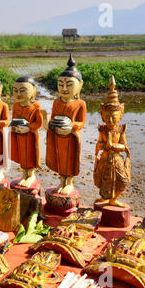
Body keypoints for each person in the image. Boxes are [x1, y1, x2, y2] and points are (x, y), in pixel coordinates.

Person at [44, 54, 86, 195]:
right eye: (61, 85)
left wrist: (71, 128)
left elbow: (81, 122)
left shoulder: (80, 103)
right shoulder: (57, 102)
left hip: (70, 137)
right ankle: (61, 182)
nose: (64, 88)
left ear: (79, 85)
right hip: (58, 136)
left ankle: (69, 183)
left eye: (69, 85)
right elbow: (52, 118)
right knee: (60, 159)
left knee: (69, 160)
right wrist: (49, 125)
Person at [94, 76, 130, 207]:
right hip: (105, 159)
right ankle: (105, 197)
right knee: (103, 180)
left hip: (116, 158)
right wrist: (104, 145)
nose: (110, 120)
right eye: (107, 117)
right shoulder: (103, 129)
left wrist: (113, 145)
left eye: (113, 117)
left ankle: (114, 199)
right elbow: (98, 145)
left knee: (123, 180)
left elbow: (124, 147)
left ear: (120, 115)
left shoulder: (120, 129)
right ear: (102, 114)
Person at [10, 76, 43, 188]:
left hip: (30, 137)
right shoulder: (15, 106)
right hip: (19, 135)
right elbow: (13, 120)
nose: (18, 94)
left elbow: (39, 123)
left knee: (30, 155)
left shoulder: (36, 106)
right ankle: (24, 175)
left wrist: (29, 127)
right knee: (22, 155)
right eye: (15, 91)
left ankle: (31, 175)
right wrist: (14, 128)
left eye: (22, 90)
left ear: (34, 90)